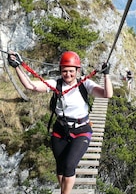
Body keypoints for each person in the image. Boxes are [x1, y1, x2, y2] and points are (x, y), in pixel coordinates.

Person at [7, 51, 113, 194]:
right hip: (60, 130)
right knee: (61, 167)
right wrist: (17, 66)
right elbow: (30, 85)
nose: (68, 74)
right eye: (64, 71)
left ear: (77, 70)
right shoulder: (55, 84)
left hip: (81, 130)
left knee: (69, 166)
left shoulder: (85, 84)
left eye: (71, 71)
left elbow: (107, 94)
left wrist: (106, 75)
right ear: (60, 71)